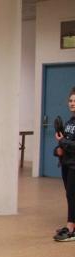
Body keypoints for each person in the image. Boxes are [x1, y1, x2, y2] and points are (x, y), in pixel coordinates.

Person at [53, 87, 75, 242]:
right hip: (66, 163)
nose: (72, 103)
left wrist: (62, 142)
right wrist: (58, 149)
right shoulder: (70, 122)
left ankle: (71, 228)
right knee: (70, 195)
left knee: (73, 195)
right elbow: (65, 142)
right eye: (71, 100)